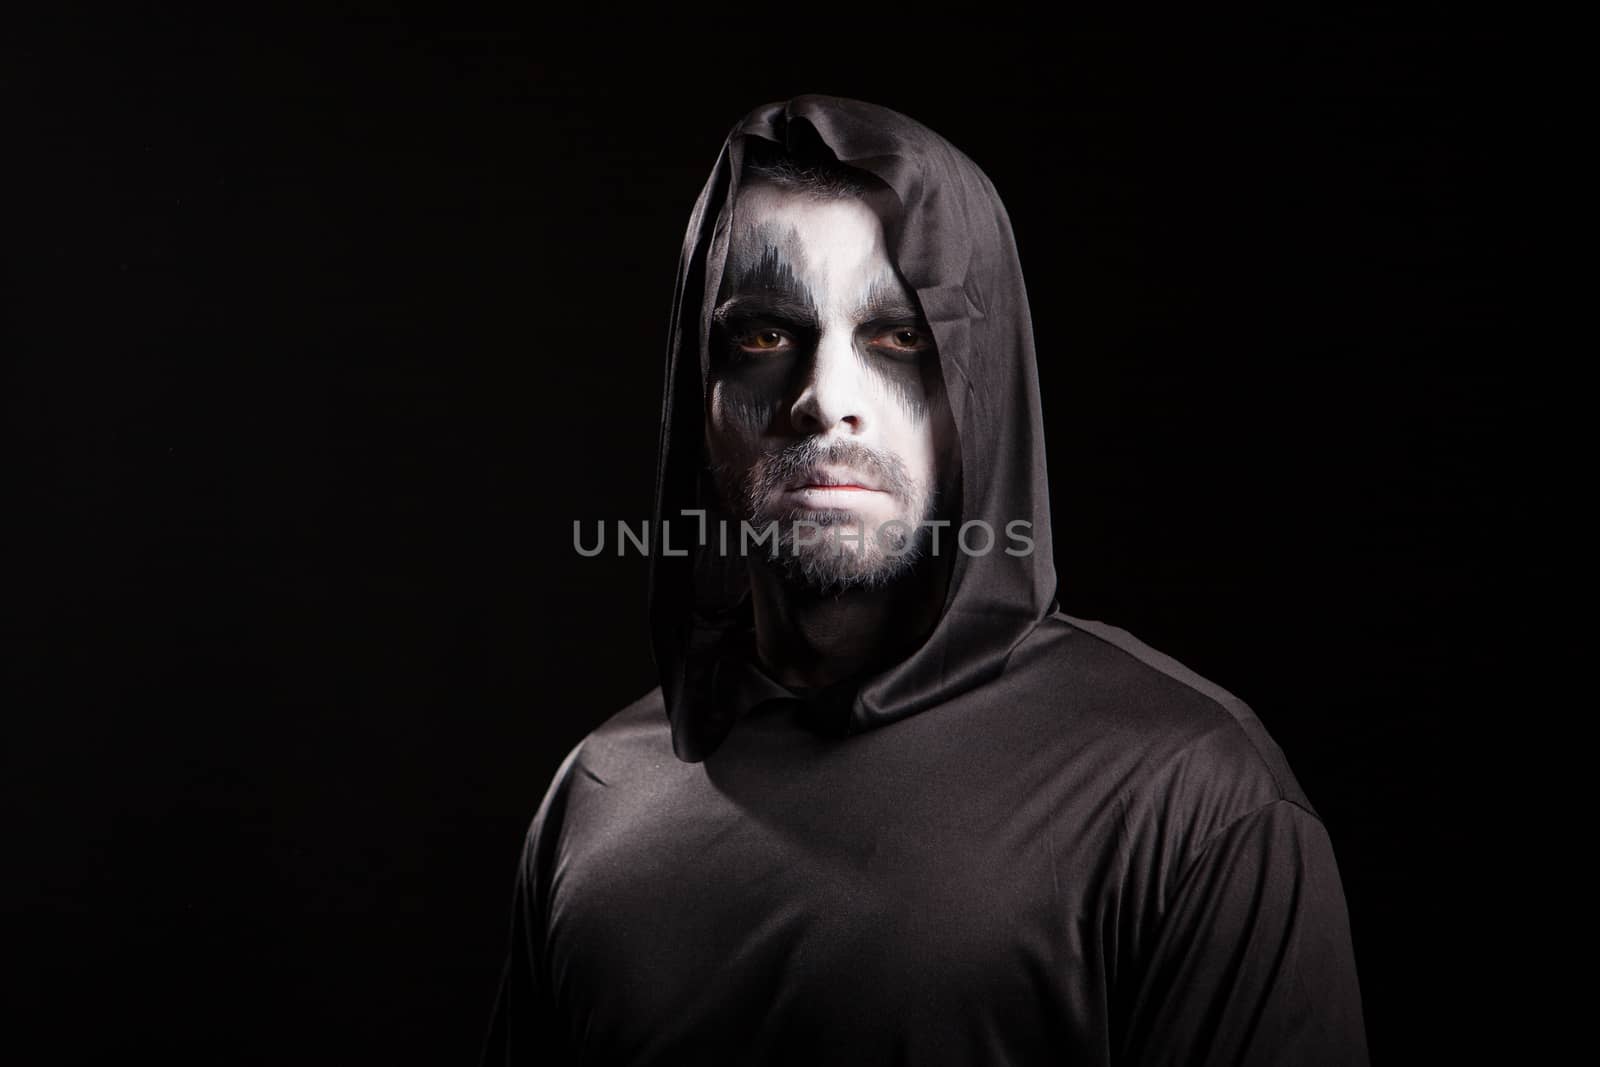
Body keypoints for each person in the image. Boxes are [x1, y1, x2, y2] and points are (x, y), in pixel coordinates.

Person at [482, 95, 1369, 1066]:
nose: (825, 399)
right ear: (701, 394)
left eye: (897, 337)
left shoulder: (1188, 795)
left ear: (979, 379)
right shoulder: (601, 793)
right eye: (765, 336)